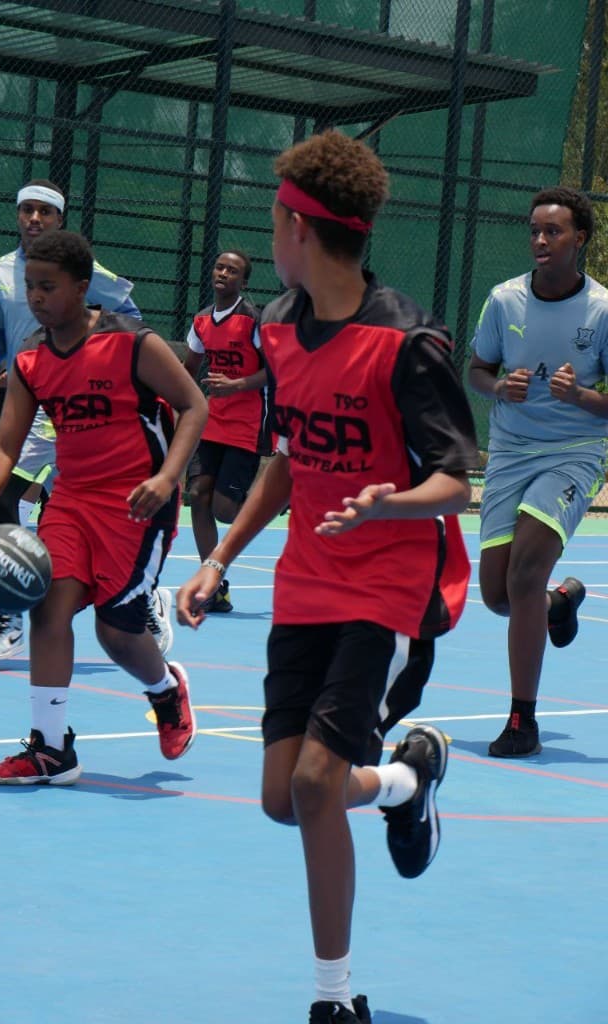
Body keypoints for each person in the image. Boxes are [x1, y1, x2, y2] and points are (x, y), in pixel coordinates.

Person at [176, 130, 478, 1023]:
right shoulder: (277, 328)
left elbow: (458, 479)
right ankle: (407, 782)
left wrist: (391, 503)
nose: (269, 236)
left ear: (301, 229)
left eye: (274, 219)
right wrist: (218, 559)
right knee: (283, 799)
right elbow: (285, 459)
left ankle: (333, 999)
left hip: (387, 591)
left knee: (312, 784)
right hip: (307, 582)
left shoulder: (406, 342)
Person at [0, 230, 207, 783]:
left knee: (116, 633)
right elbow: (4, 445)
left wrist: (168, 475)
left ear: (81, 288)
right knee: (48, 606)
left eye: (48, 287)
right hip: (72, 500)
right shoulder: (32, 360)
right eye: (30, 286)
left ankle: (165, 690)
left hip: (137, 505)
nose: (36, 297)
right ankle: (51, 749)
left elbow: (193, 405)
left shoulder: (133, 344)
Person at [0, 179, 174, 660]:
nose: (34, 219)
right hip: (35, 399)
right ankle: (12, 615)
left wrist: (89, 354)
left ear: (59, 219)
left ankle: (139, 600)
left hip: (86, 403)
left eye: (45, 212)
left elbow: (130, 319)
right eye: (26, 211)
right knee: (6, 496)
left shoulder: (87, 270)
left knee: (72, 512)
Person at [468, 186, 608, 758]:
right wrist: (500, 386)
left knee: (523, 575)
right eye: (534, 230)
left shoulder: (602, 310)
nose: (541, 240)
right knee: (500, 595)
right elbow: (477, 370)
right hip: (509, 452)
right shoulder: (504, 301)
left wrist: (583, 398)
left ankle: (522, 721)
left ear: (580, 239)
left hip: (574, 451)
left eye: (553, 231)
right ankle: (558, 603)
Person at [183, 250, 271, 613]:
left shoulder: (253, 321)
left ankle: (269, 501)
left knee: (223, 510)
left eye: (232, 270)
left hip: (248, 423)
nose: (223, 273)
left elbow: (277, 371)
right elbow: (189, 369)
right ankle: (214, 585)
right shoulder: (202, 320)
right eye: (219, 267)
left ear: (243, 282)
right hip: (213, 421)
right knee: (197, 495)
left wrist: (237, 385)